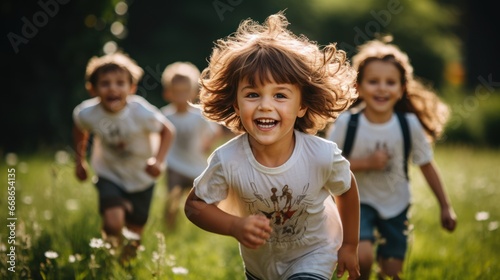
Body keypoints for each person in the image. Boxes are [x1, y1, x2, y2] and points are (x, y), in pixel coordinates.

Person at [184, 13, 361, 280]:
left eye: (280, 95)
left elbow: (346, 190)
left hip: (315, 254)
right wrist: (235, 225)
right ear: (236, 104)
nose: (265, 105)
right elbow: (195, 207)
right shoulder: (228, 159)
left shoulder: (321, 155)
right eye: (253, 94)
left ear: (301, 106)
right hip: (260, 266)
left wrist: (349, 245)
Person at [327, 38, 457, 280]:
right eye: (373, 81)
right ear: (359, 86)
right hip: (357, 202)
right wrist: (367, 163)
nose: (382, 88)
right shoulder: (347, 123)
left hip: (396, 204)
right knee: (362, 257)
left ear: (402, 88)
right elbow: (328, 166)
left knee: (391, 272)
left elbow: (427, 165)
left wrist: (445, 206)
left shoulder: (408, 125)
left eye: (390, 82)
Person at [73, 52, 175, 263]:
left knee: (135, 232)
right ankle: (108, 257)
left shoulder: (140, 111)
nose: (113, 88)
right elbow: (80, 129)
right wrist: (79, 160)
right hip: (108, 172)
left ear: (132, 88)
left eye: (120, 83)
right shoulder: (87, 113)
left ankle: (124, 265)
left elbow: (168, 130)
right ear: (92, 88)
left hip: (142, 176)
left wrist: (158, 160)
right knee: (113, 222)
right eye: (105, 83)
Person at [160, 61, 222, 230]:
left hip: (196, 165)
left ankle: (205, 227)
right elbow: (158, 136)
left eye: (185, 92)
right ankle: (169, 228)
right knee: (172, 197)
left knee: (201, 200)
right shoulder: (165, 116)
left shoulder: (199, 115)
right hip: (174, 165)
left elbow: (215, 131)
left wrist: (206, 144)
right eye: (176, 92)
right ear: (168, 93)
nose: (181, 96)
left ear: (194, 92)